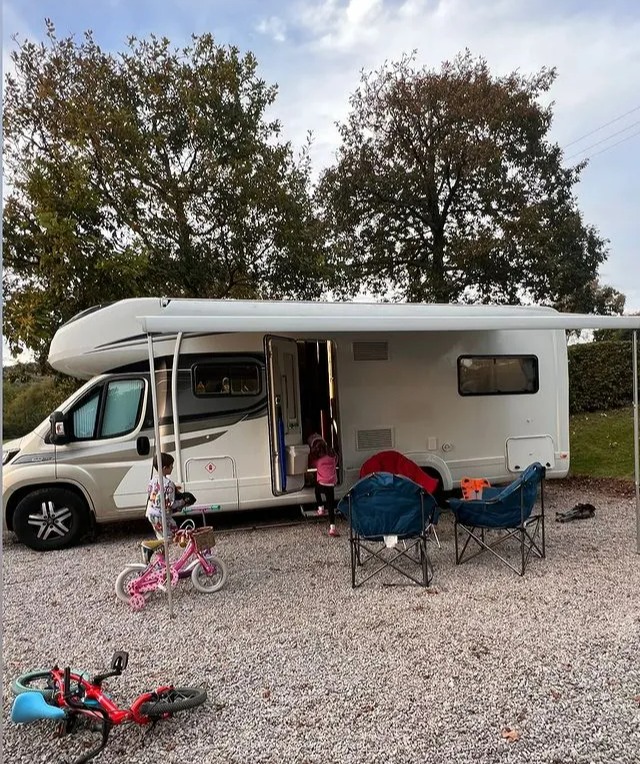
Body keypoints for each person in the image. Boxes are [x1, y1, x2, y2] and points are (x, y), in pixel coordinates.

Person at [145, 452, 187, 540]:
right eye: (171, 466)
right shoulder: (168, 484)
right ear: (165, 468)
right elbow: (169, 504)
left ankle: (161, 552)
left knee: (161, 537)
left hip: (150, 513)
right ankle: (153, 550)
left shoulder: (152, 481)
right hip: (161, 515)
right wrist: (183, 502)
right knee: (173, 535)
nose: (172, 467)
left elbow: (150, 494)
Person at [311, 439, 340, 537]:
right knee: (331, 506)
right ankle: (332, 528)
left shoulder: (318, 461)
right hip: (331, 484)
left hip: (322, 484)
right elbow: (336, 460)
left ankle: (321, 508)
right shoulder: (333, 458)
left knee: (316, 491)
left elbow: (311, 464)